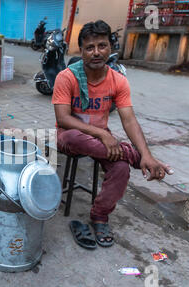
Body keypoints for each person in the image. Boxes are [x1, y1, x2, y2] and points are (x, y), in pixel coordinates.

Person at [52, 20, 174, 249]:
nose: (96, 52)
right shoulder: (66, 77)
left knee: (120, 168)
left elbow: (129, 119)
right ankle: (136, 157)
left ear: (110, 47)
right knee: (72, 136)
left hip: (103, 140)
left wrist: (141, 149)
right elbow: (63, 119)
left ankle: (100, 216)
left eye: (102, 46)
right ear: (81, 50)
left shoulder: (118, 80)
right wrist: (103, 135)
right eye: (90, 47)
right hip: (71, 135)